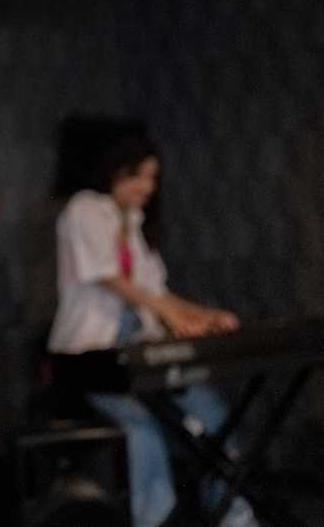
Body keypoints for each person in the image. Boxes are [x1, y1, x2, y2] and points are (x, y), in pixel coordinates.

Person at [47, 125, 256, 527]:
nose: (148, 186)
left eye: (153, 178)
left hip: (142, 351)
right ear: (115, 172)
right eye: (139, 175)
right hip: (90, 356)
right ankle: (155, 521)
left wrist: (203, 316)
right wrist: (172, 315)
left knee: (211, 412)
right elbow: (110, 277)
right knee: (142, 430)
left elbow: (156, 291)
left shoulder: (136, 223)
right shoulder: (85, 208)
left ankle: (236, 516)